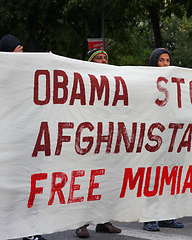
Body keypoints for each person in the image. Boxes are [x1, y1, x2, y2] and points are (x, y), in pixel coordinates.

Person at [0, 34, 45, 240]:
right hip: (7, 141)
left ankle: (29, 231)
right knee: (10, 188)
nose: (23, 53)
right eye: (19, 49)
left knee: (29, 186)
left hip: (27, 139)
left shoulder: (27, 74)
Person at [75, 48, 122, 238]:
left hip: (107, 137)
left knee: (107, 180)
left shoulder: (113, 81)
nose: (103, 61)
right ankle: (80, 223)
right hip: (88, 138)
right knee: (87, 181)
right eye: (98, 59)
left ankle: (104, 221)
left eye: (105, 58)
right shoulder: (82, 80)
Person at [142, 48, 184, 231]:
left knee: (170, 177)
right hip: (153, 137)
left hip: (171, 137)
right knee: (152, 178)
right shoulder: (145, 81)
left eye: (168, 60)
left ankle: (167, 216)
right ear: (154, 62)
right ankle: (149, 218)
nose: (165, 64)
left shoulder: (175, 84)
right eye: (161, 60)